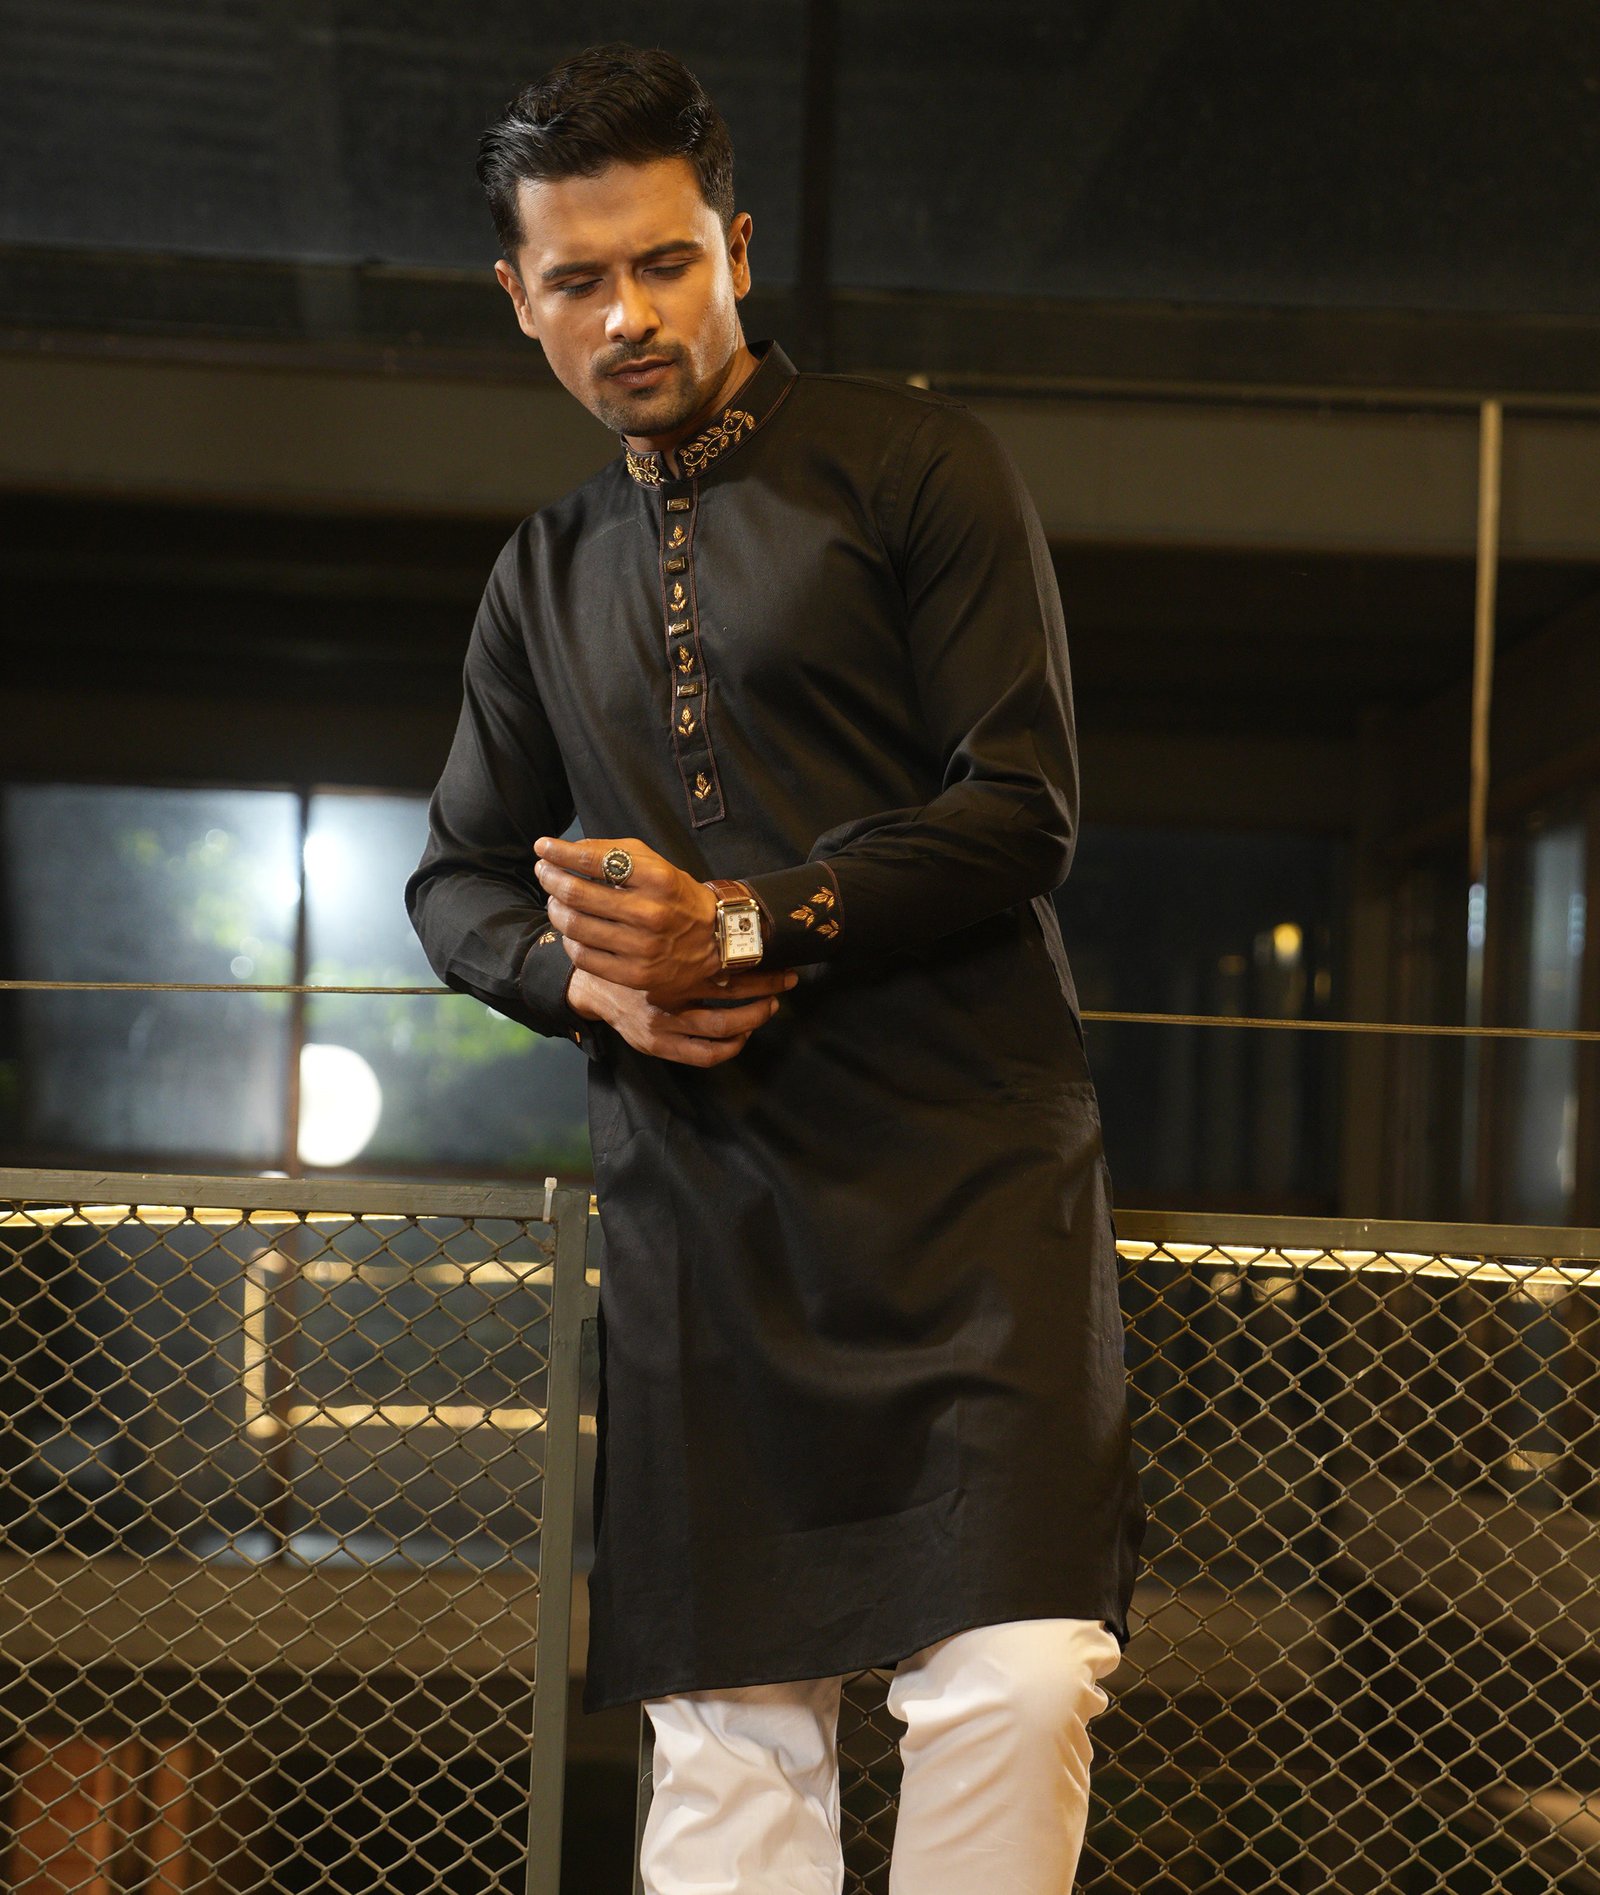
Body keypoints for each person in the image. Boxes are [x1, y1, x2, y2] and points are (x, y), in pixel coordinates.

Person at [407, 41, 1144, 1895]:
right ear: (519, 299)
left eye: (666, 262)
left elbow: (1024, 809)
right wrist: (594, 988)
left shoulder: (917, 464)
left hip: (970, 1180)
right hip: (705, 1204)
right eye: (580, 279)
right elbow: (455, 881)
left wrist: (732, 924)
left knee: (1017, 1682)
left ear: (736, 250)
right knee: (731, 1743)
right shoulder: (540, 574)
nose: (629, 316)